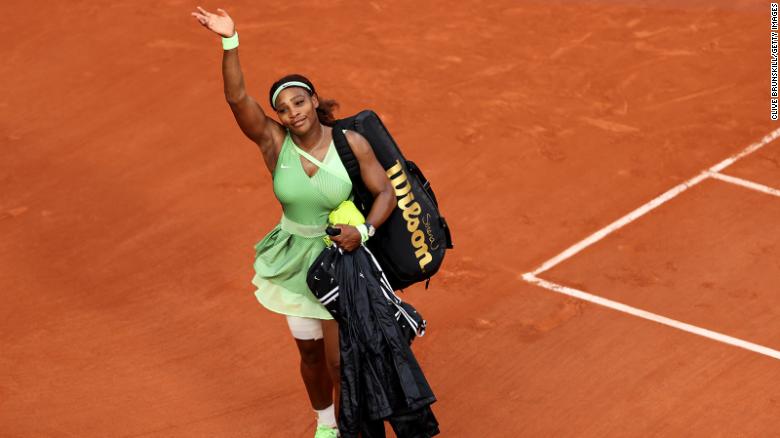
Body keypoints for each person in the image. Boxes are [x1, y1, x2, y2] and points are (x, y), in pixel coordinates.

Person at [191, 7, 396, 438]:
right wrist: (230, 41)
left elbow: (386, 191)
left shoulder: (349, 143)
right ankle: (326, 425)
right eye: (283, 109)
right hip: (295, 263)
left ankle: (350, 425)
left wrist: (364, 232)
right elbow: (236, 99)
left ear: (314, 101)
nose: (292, 113)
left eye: (299, 102)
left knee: (341, 360)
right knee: (310, 354)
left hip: (341, 258)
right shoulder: (273, 142)